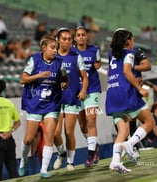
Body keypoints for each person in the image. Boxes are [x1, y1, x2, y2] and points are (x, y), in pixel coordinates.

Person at [18, 36, 68, 179]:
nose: (55, 51)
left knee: (49, 136)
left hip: (52, 103)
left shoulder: (60, 63)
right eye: (52, 47)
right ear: (44, 48)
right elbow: (23, 79)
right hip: (35, 103)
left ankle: (44, 169)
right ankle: (23, 161)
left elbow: (65, 79)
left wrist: (65, 84)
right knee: (28, 139)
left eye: (56, 48)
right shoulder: (34, 60)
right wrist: (39, 75)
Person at [106, 28, 154, 173]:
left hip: (112, 94)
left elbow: (110, 73)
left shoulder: (113, 55)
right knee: (149, 122)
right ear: (128, 41)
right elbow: (127, 71)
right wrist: (140, 89)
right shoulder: (129, 53)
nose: (133, 43)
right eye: (132, 40)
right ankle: (131, 144)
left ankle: (115, 162)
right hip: (125, 93)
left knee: (123, 130)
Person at [53, 28, 88, 171]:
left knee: (69, 132)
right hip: (55, 100)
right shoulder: (52, 57)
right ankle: (61, 153)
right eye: (64, 39)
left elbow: (85, 77)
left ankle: (70, 162)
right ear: (58, 40)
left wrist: (83, 90)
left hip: (72, 99)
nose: (67, 41)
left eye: (69, 39)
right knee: (55, 133)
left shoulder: (76, 57)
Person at [73, 26, 101, 167]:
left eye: (83, 34)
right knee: (83, 125)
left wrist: (98, 65)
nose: (81, 37)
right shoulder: (71, 52)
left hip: (92, 90)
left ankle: (90, 155)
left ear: (86, 36)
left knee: (91, 120)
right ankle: (94, 146)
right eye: (78, 35)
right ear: (75, 38)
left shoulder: (94, 50)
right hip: (77, 92)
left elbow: (98, 62)